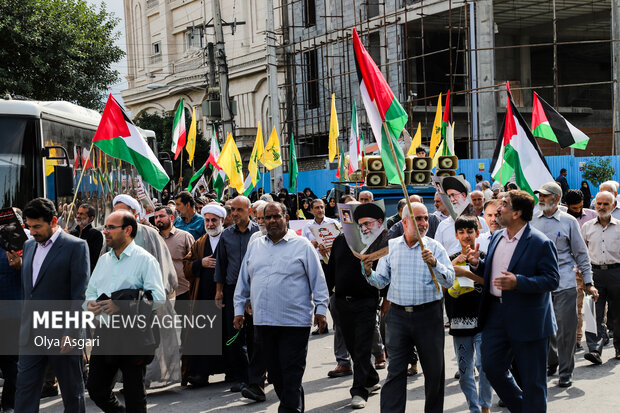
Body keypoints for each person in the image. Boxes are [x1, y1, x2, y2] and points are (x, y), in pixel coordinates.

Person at [468, 190, 560, 413]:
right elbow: (493, 271)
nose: (498, 209)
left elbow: (552, 280)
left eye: (504, 205)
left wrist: (519, 282)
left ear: (517, 213)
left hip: (529, 320)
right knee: (492, 368)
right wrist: (476, 264)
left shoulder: (540, 242)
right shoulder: (498, 237)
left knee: (533, 382)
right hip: (496, 317)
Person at [233, 202, 329, 411]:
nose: (272, 221)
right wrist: (239, 309)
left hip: (294, 323)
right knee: (276, 375)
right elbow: (243, 280)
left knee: (291, 373)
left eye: (276, 216)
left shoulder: (302, 245)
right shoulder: (255, 246)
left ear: (286, 218)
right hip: (264, 322)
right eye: (267, 218)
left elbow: (318, 281)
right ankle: (293, 404)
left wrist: (321, 310)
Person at [364, 202, 455, 413]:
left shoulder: (435, 247)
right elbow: (381, 281)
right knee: (395, 371)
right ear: (404, 221)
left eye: (425, 218)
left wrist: (435, 264)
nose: (424, 223)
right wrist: (368, 273)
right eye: (418, 219)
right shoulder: (391, 246)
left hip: (429, 316)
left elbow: (449, 281)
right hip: (398, 316)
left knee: (434, 373)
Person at [85, 211, 166, 413]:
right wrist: (90, 305)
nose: (105, 231)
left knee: (134, 394)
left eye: (111, 227)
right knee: (96, 389)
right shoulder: (104, 261)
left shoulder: (145, 260)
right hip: (105, 334)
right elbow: (90, 292)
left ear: (128, 230)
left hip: (134, 334)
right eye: (105, 227)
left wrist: (122, 305)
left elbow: (158, 297)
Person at [14, 198, 89, 412]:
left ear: (53, 221)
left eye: (37, 226)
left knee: (72, 393)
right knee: (25, 392)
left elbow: (79, 295)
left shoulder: (76, 246)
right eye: (29, 226)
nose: (33, 231)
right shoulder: (28, 246)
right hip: (30, 334)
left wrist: (72, 332)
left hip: (63, 335)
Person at [531, 182, 597, 388]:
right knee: (544, 329)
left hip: (565, 282)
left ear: (557, 199)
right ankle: (552, 361)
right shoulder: (532, 219)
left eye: (545, 196)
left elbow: (580, 253)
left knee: (566, 331)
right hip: (539, 284)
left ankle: (566, 371)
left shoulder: (568, 221)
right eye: (539, 196)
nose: (541, 199)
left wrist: (588, 281)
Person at [112, 194, 179, 387]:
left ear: (134, 213)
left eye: (123, 211)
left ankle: (139, 380)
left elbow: (163, 266)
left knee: (143, 342)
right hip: (119, 300)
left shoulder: (149, 234)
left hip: (143, 300)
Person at [326, 229, 383, 409]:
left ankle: (359, 391)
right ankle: (371, 377)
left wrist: (385, 297)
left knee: (362, 346)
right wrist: (326, 297)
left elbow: (383, 271)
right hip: (342, 302)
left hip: (366, 302)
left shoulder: (374, 241)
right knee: (352, 345)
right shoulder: (340, 240)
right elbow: (331, 270)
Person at [446, 216, 492, 413]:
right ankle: (473, 407)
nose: (466, 236)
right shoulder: (449, 259)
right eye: (462, 232)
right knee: (465, 372)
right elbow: (439, 284)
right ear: (456, 235)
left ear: (477, 233)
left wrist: (469, 271)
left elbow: (490, 283)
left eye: (470, 231)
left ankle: (485, 406)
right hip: (459, 323)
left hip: (483, 321)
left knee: (484, 366)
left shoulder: (486, 258)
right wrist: (451, 267)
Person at [214, 195, 259, 392]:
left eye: (239, 210)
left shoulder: (259, 233)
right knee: (235, 335)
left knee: (257, 335)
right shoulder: (226, 235)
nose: (234, 214)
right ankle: (241, 377)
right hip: (233, 291)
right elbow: (221, 265)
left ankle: (258, 377)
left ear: (249, 211)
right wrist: (219, 291)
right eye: (232, 210)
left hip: (257, 289)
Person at [182, 204, 228, 386]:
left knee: (226, 335)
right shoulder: (199, 242)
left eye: (214, 220)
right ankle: (201, 374)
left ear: (222, 221)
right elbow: (186, 267)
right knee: (204, 336)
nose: (210, 224)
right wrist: (201, 262)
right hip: (203, 295)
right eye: (207, 220)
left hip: (226, 295)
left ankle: (231, 372)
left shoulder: (228, 239)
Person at [153, 205, 195, 384]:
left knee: (186, 332)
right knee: (162, 334)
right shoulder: (153, 238)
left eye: (161, 216)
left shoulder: (184, 237)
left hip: (183, 291)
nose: (158, 220)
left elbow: (193, 261)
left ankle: (186, 371)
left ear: (171, 218)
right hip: (161, 294)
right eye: (156, 217)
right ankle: (165, 371)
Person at [581, 191, 620, 363]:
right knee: (591, 312)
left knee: (618, 313)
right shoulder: (587, 227)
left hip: (616, 273)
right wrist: (583, 276)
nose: (602, 207)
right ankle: (595, 350)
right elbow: (580, 253)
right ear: (594, 205)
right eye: (599, 204)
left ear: (613, 206)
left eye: (606, 204)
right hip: (593, 273)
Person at [565, 189, 598, 350]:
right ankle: (577, 340)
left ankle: (596, 338)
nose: (577, 210)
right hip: (572, 270)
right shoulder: (562, 220)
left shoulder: (593, 216)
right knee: (575, 307)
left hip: (592, 268)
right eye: (574, 208)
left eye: (579, 207)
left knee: (593, 305)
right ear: (566, 205)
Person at [70, 203, 104, 273]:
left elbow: (92, 259)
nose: (78, 216)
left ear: (91, 218)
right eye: (78, 213)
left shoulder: (96, 235)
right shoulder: (72, 233)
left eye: (82, 214)